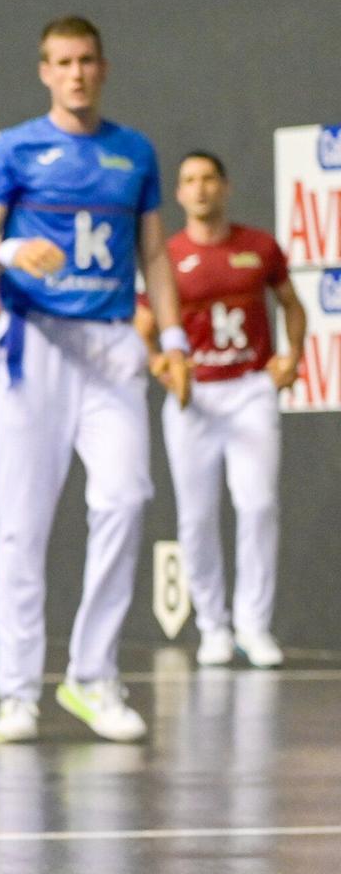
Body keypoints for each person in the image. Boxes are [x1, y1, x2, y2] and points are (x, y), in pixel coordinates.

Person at [0, 15, 191, 744]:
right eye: (62, 62)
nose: (76, 73)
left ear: (104, 66)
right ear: (44, 71)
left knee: (125, 497)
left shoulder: (135, 152)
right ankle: (18, 692)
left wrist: (174, 334)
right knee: (23, 524)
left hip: (115, 348)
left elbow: (154, 256)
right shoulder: (17, 147)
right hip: (36, 345)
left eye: (87, 60)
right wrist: (14, 247)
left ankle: (91, 677)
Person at [133, 152, 304, 669]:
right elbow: (144, 327)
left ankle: (254, 627)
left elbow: (293, 306)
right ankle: (213, 627)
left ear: (226, 187)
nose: (200, 188)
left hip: (250, 390)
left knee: (257, 504)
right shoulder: (169, 254)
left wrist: (291, 354)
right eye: (189, 181)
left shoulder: (259, 247)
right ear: (179, 195)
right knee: (197, 517)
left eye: (209, 179)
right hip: (194, 398)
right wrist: (163, 367)